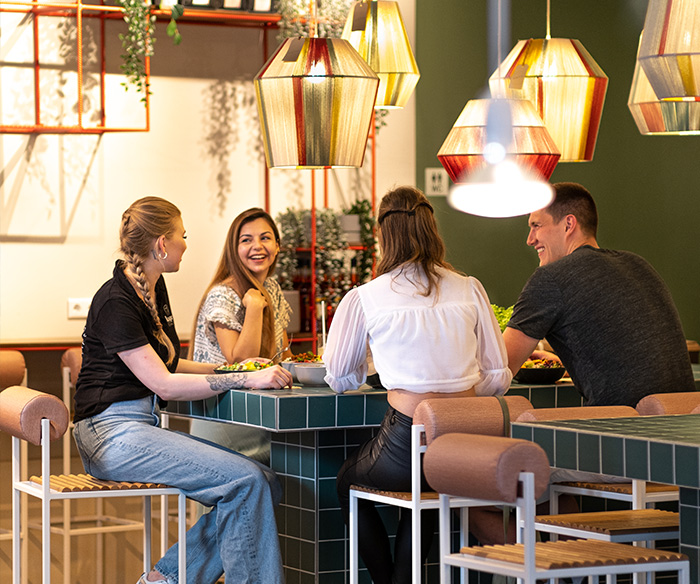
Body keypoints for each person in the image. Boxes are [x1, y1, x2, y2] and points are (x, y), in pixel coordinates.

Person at [72, 196, 293, 584]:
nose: (186, 245)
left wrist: (235, 367)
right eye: (182, 236)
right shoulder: (115, 300)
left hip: (137, 428)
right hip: (109, 436)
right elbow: (164, 384)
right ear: (161, 245)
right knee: (248, 482)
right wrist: (245, 378)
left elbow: (169, 364)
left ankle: (165, 579)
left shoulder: (152, 289)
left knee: (264, 483)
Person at [322, 186, 512, 584]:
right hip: (468, 443)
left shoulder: (366, 297)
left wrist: (375, 367)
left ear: (383, 234)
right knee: (424, 493)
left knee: (345, 481)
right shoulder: (469, 287)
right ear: (432, 229)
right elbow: (496, 376)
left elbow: (339, 378)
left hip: (408, 440)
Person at [504, 181, 695, 407]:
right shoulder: (638, 264)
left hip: (625, 430)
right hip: (687, 421)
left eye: (536, 225)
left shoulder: (550, 279)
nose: (530, 239)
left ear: (568, 224)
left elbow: (499, 369)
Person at [189, 208, 292, 465]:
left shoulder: (271, 288)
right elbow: (242, 363)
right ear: (233, 250)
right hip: (224, 416)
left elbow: (284, 354)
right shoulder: (223, 294)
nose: (257, 246)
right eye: (246, 240)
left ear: (277, 246)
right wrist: (255, 308)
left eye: (265, 238)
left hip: (259, 416)